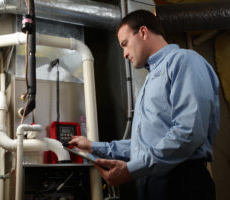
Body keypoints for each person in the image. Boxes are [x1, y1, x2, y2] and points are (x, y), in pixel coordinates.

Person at [69, 9, 219, 200]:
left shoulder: (184, 61)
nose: (124, 54)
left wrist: (131, 170)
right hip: (152, 181)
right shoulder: (151, 79)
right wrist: (93, 147)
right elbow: (144, 146)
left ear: (143, 32)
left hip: (181, 183)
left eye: (125, 44)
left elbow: (189, 133)